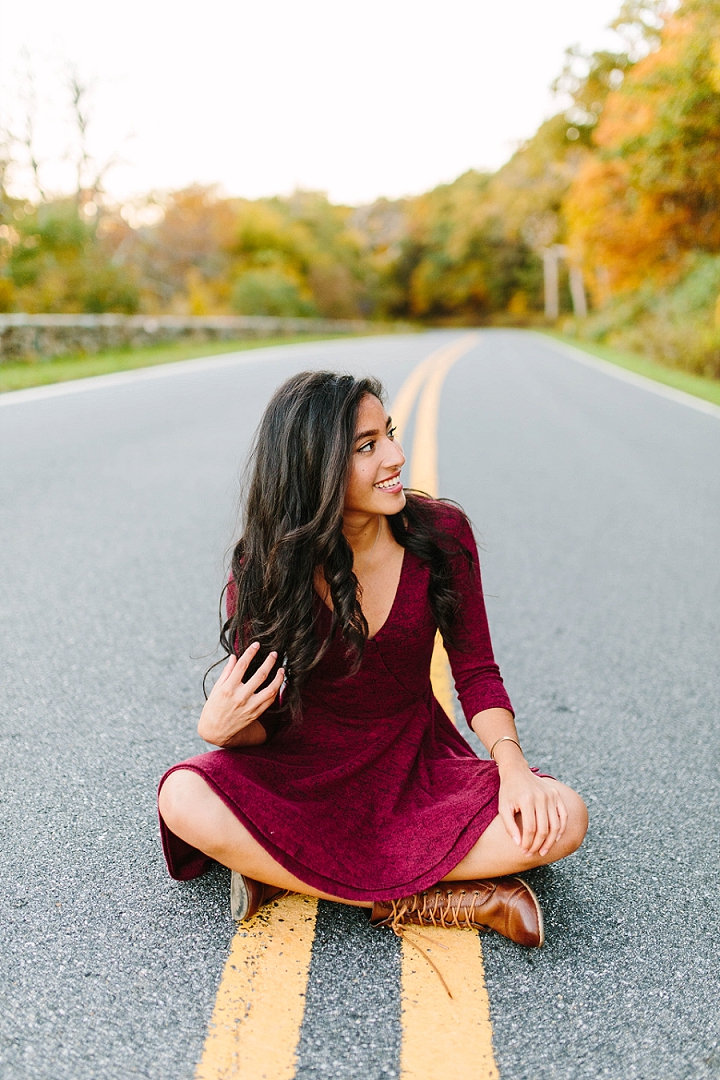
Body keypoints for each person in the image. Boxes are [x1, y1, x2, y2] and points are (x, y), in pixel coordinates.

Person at [158, 371, 588, 953]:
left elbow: (478, 673)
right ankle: (423, 900)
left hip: (419, 767)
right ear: (315, 466)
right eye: (367, 446)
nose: (396, 456)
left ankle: (285, 873)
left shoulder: (441, 534)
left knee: (564, 816)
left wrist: (514, 772)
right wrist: (220, 729)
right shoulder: (264, 569)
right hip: (305, 775)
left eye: (387, 434)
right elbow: (262, 722)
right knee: (181, 796)